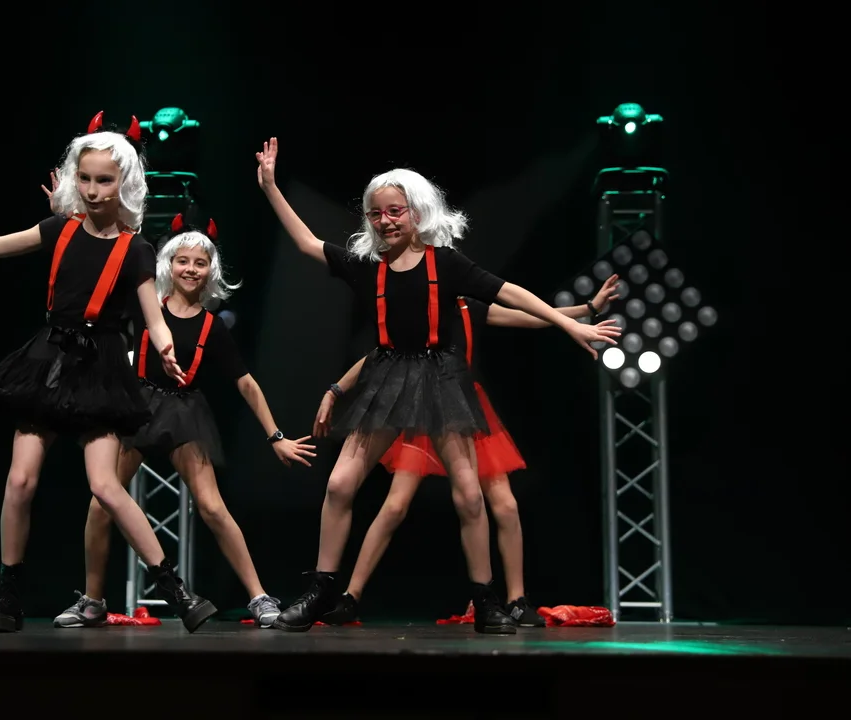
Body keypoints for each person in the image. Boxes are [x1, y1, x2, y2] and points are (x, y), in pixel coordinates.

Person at [254, 137, 621, 633]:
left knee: (469, 496)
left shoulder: (445, 264)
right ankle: (322, 590)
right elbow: (306, 242)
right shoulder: (368, 269)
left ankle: (486, 600)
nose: (385, 221)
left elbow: (509, 293)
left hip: (441, 379)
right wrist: (271, 187)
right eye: (376, 213)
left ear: (417, 212)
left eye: (395, 211)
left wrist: (570, 322)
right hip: (388, 377)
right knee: (340, 483)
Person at [0, 111, 216, 633]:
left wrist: (165, 347)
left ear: (124, 184)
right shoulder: (60, 229)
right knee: (20, 480)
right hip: (50, 360)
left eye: (103, 181)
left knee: (105, 486)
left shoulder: (135, 249)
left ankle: (174, 588)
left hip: (101, 366)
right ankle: (7, 592)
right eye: (84, 179)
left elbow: (153, 316)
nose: (91, 190)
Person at [52, 210, 316, 629]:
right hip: (137, 408)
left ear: (211, 271)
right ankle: (93, 600)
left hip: (183, 413)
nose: (191, 269)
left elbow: (246, 384)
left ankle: (259, 596)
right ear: (168, 265)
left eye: (200, 263)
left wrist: (276, 436)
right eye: (183, 261)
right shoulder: (145, 309)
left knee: (212, 506)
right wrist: (69, 218)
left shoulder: (213, 327)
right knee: (101, 503)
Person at [314, 276, 621, 627]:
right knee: (395, 505)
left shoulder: (468, 308)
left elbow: (533, 316)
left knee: (504, 505)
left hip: (465, 410)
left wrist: (588, 309)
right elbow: (379, 355)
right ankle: (351, 596)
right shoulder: (415, 309)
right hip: (422, 406)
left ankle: (516, 600)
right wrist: (336, 390)